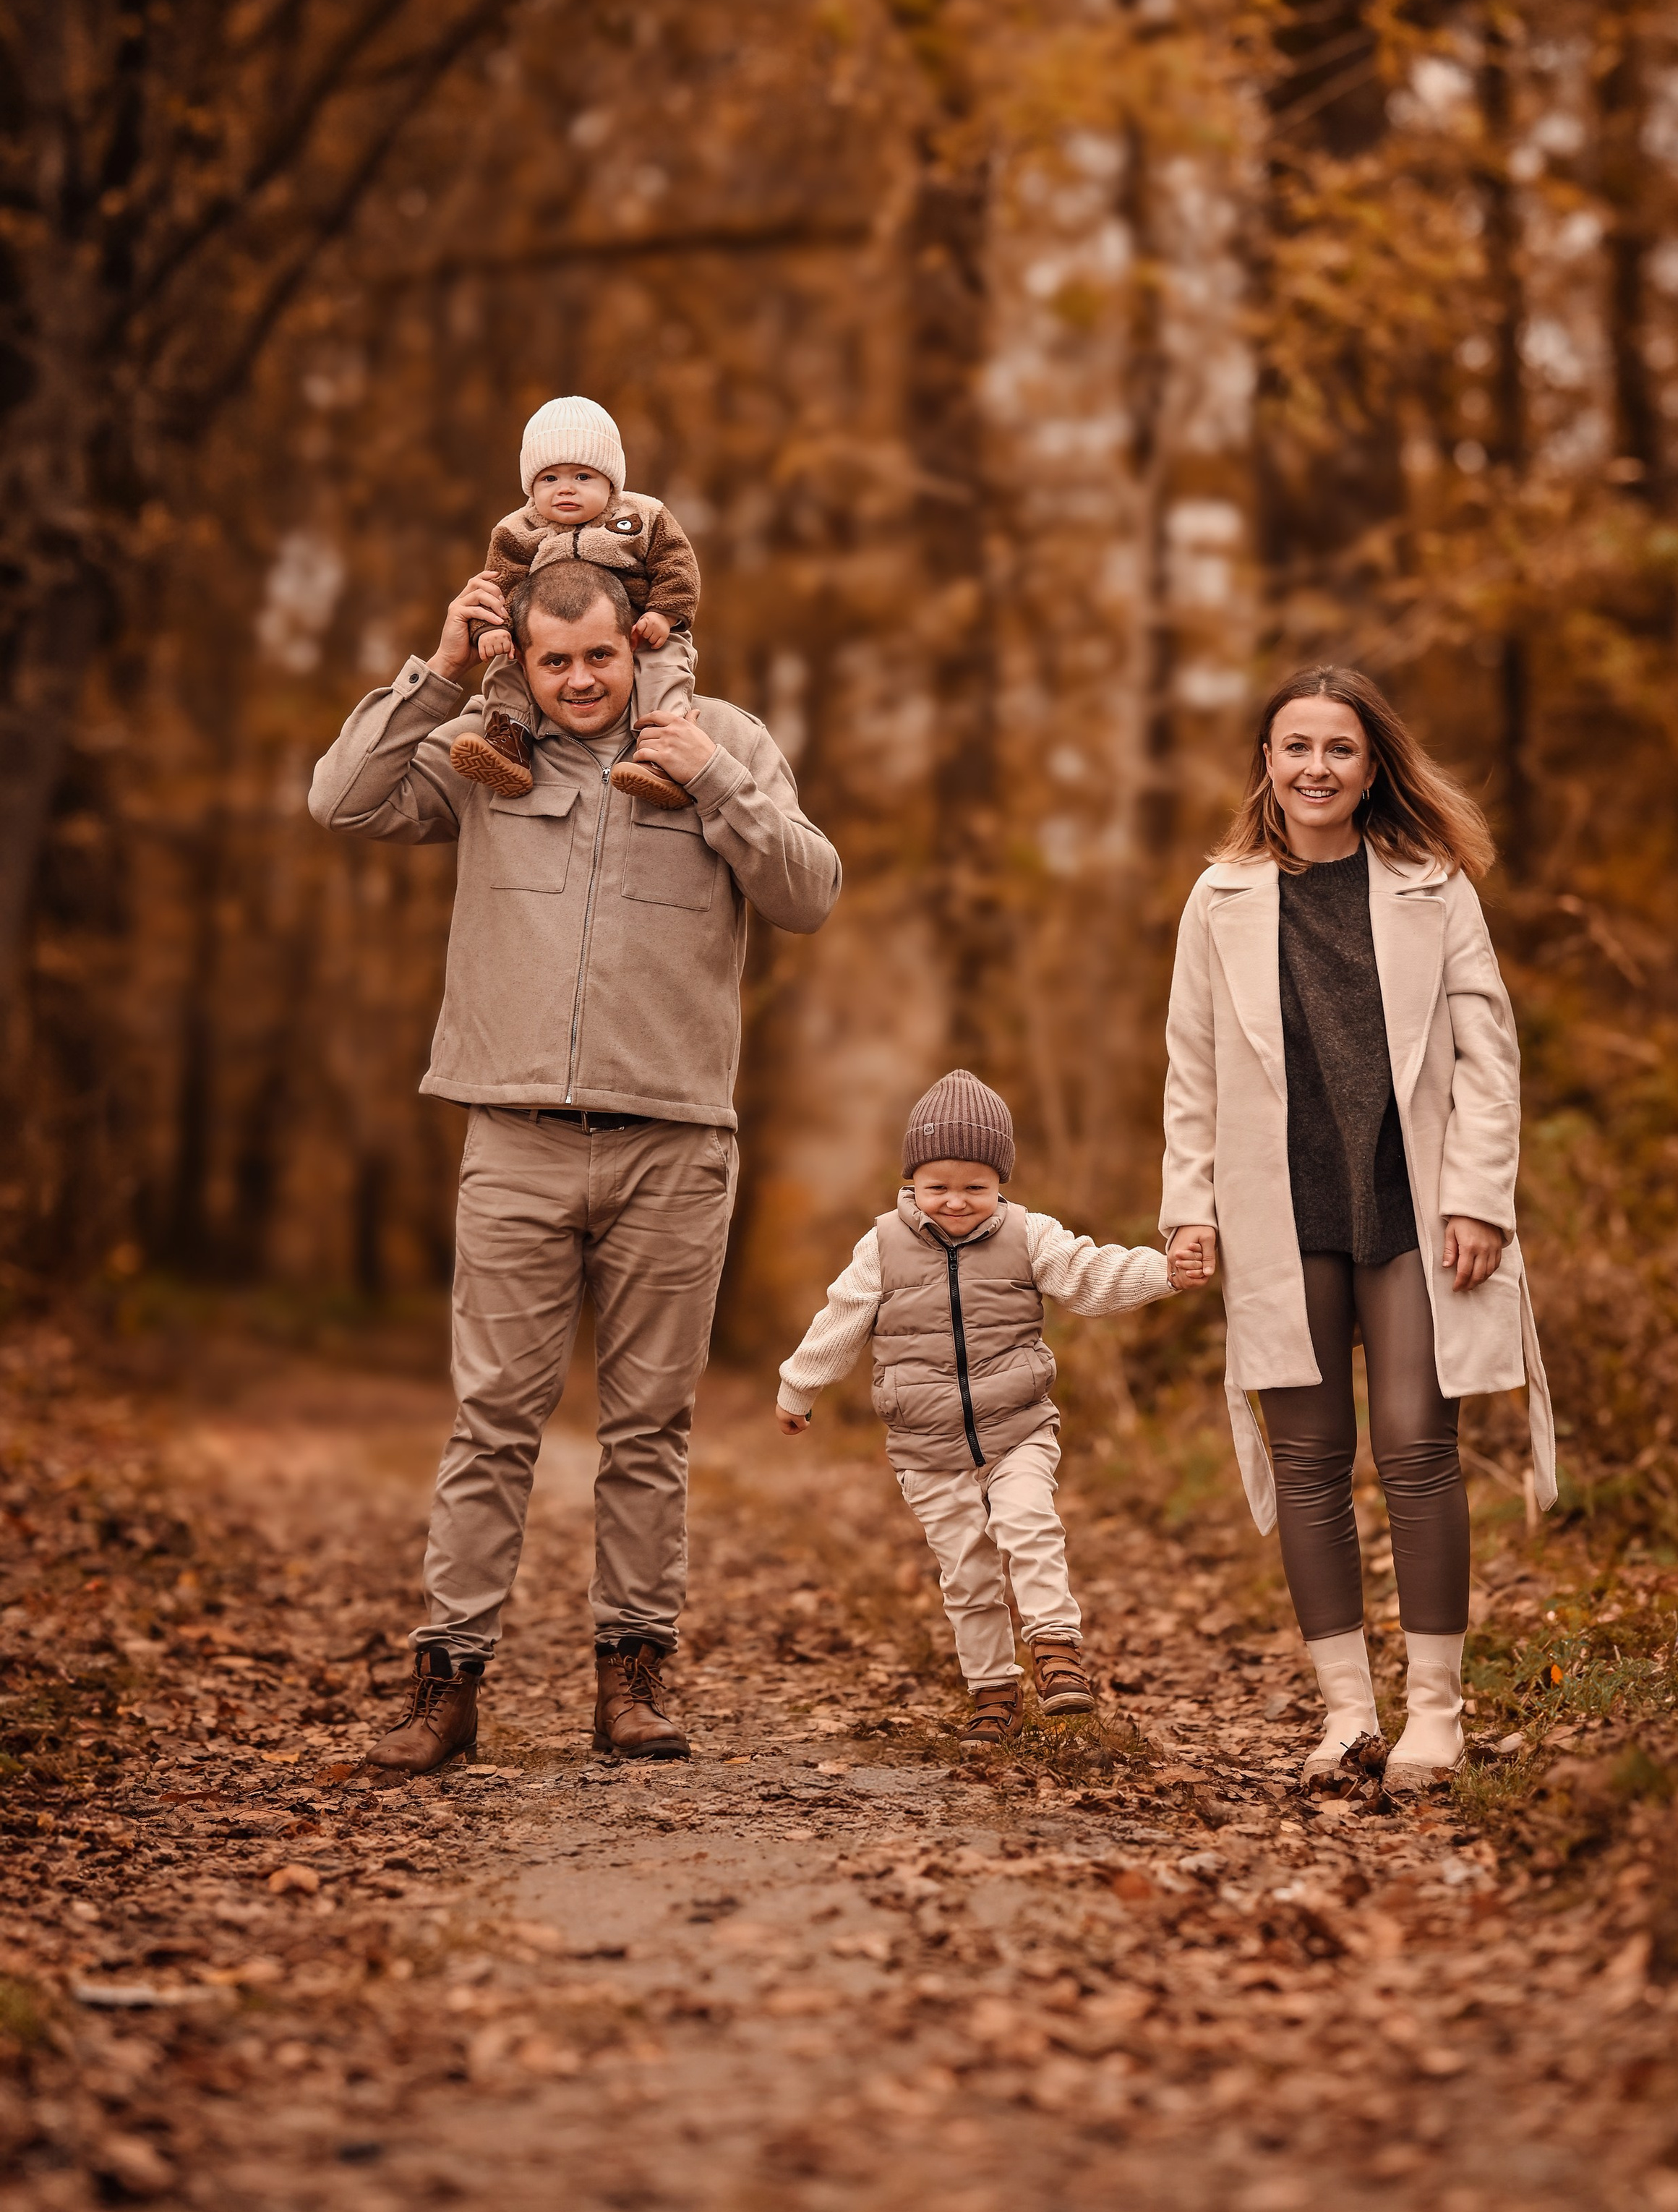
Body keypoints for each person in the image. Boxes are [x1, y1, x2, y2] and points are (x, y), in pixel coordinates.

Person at [307, 550, 842, 1775]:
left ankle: (632, 1676)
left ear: (637, 641)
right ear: (525, 660)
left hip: (675, 1141)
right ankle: (447, 1683)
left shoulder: (721, 737)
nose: (580, 680)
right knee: (492, 1419)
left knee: (649, 1425)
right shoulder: (489, 750)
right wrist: (439, 670)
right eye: (555, 661)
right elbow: (341, 799)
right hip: (514, 1136)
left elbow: (809, 891)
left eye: (600, 654)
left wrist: (717, 784)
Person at [1161, 665, 1554, 1789]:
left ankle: (1437, 1715)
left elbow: (1489, 1055)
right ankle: (1349, 1718)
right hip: (1282, 1209)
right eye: (1295, 748)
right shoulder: (1220, 898)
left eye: (1339, 749)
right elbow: (1191, 1069)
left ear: (1372, 765)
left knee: (1419, 1449)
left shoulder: (1433, 886)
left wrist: (1480, 1194)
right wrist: (1187, 1206)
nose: (1316, 769)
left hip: (1411, 1209)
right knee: (1311, 1464)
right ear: (1267, 765)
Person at [776, 1070, 1201, 1743]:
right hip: (925, 1443)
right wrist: (800, 1386)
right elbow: (842, 1318)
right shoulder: (881, 1244)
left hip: (1019, 1426)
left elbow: (1091, 1277)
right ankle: (993, 1692)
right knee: (967, 1572)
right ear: (910, 1178)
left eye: (975, 1186)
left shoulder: (1030, 1235)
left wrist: (1165, 1271)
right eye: (937, 1185)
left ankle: (1057, 1652)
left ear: (1001, 1181)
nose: (955, 1202)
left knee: (1029, 1521)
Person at [449, 393, 701, 808]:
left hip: (641, 628)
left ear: (611, 481)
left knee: (665, 672)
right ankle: (509, 740)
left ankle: (663, 756)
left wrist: (665, 612)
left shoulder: (643, 516)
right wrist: (491, 629)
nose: (566, 489)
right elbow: (498, 586)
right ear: (531, 486)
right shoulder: (517, 530)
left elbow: (677, 563)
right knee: (508, 668)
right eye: (550, 479)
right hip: (540, 636)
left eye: (583, 477)